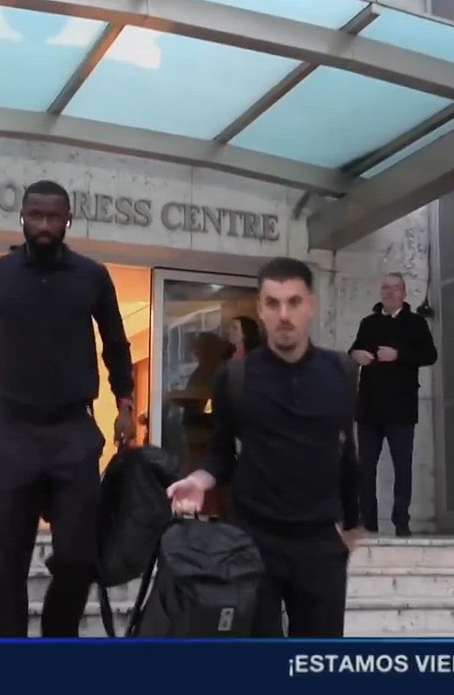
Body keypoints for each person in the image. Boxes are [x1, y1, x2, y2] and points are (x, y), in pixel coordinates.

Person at [0, 179, 135, 638]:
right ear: (23, 217)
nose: (45, 225)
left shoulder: (93, 276)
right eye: (37, 215)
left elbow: (116, 343)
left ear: (68, 220)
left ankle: (57, 640)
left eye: (55, 217)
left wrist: (126, 402)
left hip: (73, 433)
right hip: (11, 435)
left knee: (78, 559)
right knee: (4, 561)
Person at [166, 257, 362, 638]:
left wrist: (352, 526)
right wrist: (201, 478)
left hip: (320, 545)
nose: (284, 314)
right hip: (254, 542)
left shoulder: (342, 372)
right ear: (260, 308)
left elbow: (347, 452)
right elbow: (222, 451)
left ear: (311, 305)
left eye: (294, 302)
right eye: (272, 304)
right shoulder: (234, 377)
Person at [347, 273, 438, 536]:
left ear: (404, 293)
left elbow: (429, 355)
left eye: (394, 288)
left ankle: (401, 521)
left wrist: (399, 355)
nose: (388, 292)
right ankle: (369, 521)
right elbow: (352, 350)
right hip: (369, 407)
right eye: (385, 288)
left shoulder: (415, 323)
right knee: (365, 467)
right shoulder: (368, 323)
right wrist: (356, 354)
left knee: (402, 465)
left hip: (400, 407)